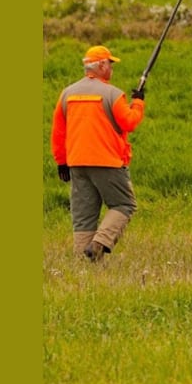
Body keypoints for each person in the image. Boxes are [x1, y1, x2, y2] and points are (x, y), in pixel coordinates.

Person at [51, 45, 146, 262]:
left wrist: (61, 161)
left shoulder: (67, 93)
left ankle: (84, 266)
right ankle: (100, 243)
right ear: (101, 65)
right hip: (107, 162)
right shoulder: (112, 94)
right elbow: (129, 122)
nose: (111, 68)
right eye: (110, 64)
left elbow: (58, 131)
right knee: (124, 204)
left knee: (84, 216)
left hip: (76, 163)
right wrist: (138, 102)